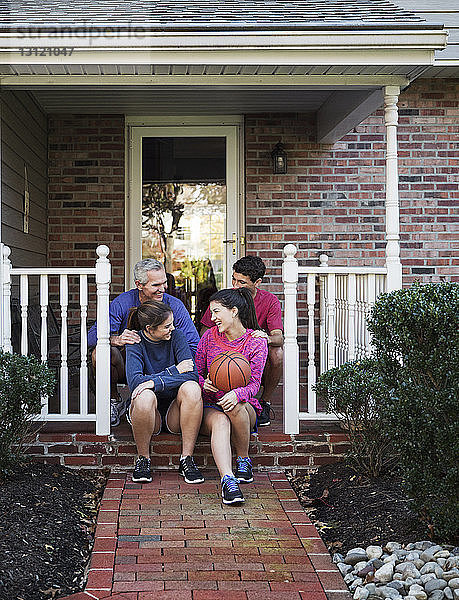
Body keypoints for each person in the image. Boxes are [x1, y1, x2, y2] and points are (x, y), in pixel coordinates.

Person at [88, 258, 200, 427]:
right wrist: (116, 339)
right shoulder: (123, 302)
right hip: (131, 366)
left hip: (166, 366)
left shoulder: (174, 306)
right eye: (156, 285)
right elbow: (92, 337)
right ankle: (114, 400)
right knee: (101, 353)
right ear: (139, 284)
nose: (162, 289)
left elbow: (194, 346)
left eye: (164, 283)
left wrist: (174, 367)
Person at [195, 287, 268, 504]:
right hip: (212, 405)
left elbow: (255, 384)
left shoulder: (256, 342)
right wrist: (203, 383)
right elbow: (196, 373)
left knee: (234, 406)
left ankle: (244, 459)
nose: (212, 318)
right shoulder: (209, 337)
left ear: (234, 311)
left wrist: (237, 394)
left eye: (217, 312)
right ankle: (228, 480)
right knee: (221, 419)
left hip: (244, 407)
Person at [125, 300, 204, 484]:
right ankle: (143, 459)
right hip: (147, 413)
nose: (172, 328)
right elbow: (136, 382)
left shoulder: (177, 336)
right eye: (166, 326)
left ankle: (187, 459)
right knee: (144, 395)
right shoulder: (135, 341)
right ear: (150, 329)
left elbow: (191, 374)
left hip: (175, 412)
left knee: (192, 388)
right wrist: (175, 371)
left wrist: (152, 381)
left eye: (172, 324)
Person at [200, 256, 283, 426]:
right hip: (223, 351)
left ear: (257, 282)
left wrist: (264, 337)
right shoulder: (225, 300)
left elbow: (279, 337)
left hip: (252, 349)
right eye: (234, 279)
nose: (236, 285)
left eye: (242, 282)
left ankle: (264, 402)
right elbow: (205, 330)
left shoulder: (269, 301)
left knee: (277, 353)